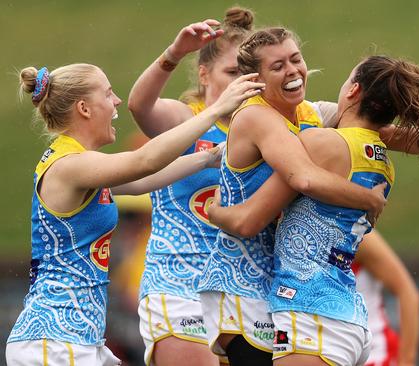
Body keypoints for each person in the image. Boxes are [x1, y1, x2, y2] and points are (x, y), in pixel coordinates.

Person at [4, 62, 263, 365]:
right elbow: (145, 161)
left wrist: (210, 157)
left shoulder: (82, 164)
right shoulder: (71, 165)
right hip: (55, 342)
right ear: (84, 108)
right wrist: (215, 110)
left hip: (74, 340)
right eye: (108, 93)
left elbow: (141, 182)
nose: (116, 102)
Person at [207, 54, 419, 365]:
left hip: (310, 312)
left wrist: (215, 211)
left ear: (353, 91)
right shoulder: (383, 162)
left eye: (347, 79)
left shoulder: (319, 143)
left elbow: (248, 221)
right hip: (346, 316)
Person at [127, 8, 256, 366]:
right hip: (179, 282)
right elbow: (140, 105)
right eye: (231, 72)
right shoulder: (185, 120)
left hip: (242, 289)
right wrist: (173, 54)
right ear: (203, 74)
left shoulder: (265, 127)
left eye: (248, 73)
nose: (240, 82)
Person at [354, 231, 419, 366]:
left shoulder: (360, 235)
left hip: (374, 355)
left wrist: (406, 361)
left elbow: (408, 293)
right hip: (329, 352)